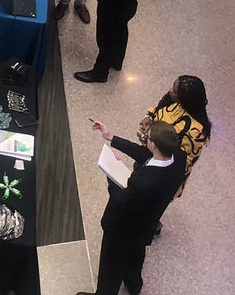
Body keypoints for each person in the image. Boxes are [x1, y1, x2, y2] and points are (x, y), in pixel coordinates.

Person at [76, 119, 186, 295]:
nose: (144, 138)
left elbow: (121, 198)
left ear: (155, 144)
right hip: (145, 225)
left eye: (147, 137)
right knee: (136, 256)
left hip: (122, 228)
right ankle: (134, 285)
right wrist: (111, 137)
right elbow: (144, 154)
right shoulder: (179, 157)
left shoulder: (144, 183)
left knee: (111, 264)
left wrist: (111, 170)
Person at [138, 75, 211, 233]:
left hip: (163, 175)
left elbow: (182, 162)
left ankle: (152, 227)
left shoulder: (195, 131)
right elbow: (160, 108)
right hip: (148, 158)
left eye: (174, 90)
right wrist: (149, 118)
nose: (170, 90)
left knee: (153, 204)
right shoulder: (173, 100)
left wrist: (151, 143)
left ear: (185, 98)